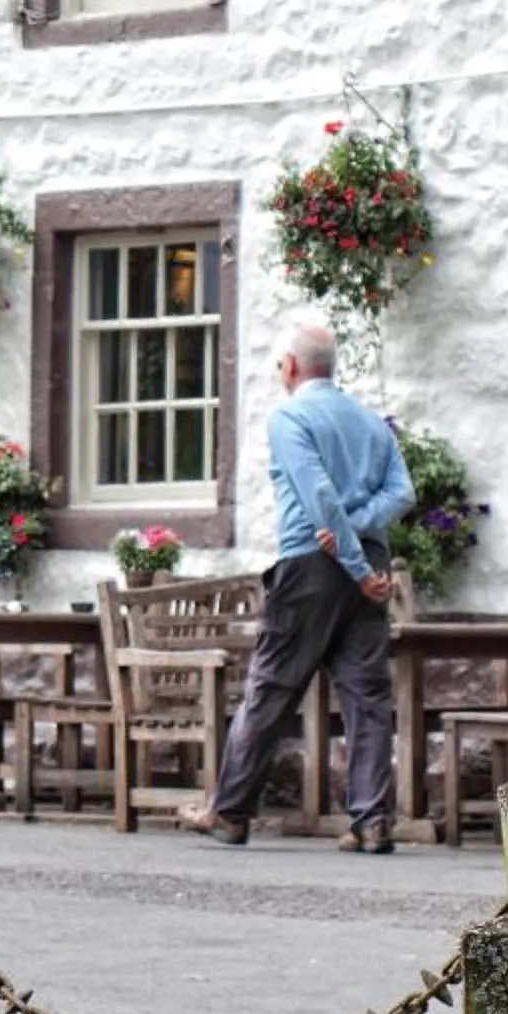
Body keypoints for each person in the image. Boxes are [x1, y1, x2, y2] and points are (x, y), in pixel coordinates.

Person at [183, 317, 413, 853]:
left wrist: (352, 561)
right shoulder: (372, 424)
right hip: (367, 560)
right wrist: (362, 552)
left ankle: (230, 812)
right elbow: (402, 493)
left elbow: (319, 499)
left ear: (289, 366)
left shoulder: (289, 418)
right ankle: (372, 821)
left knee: (271, 687)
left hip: (313, 563)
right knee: (367, 694)